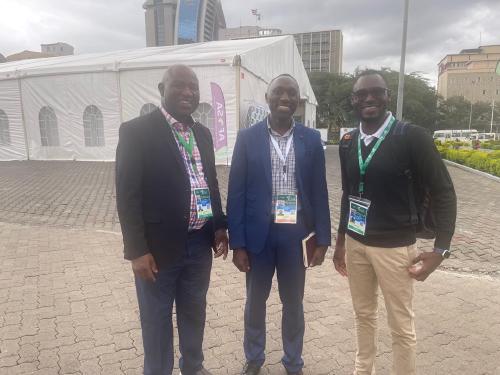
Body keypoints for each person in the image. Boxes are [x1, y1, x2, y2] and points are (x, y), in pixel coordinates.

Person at [333, 70, 457, 375]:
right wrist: (340, 243)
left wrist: (441, 250)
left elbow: (444, 191)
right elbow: (349, 195)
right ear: (353, 100)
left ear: (387, 96)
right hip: (356, 243)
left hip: (394, 248)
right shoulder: (348, 142)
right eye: (362, 94)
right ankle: (363, 370)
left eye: (377, 92)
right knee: (363, 315)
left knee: (400, 325)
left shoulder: (411, 137)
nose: (369, 98)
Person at [115, 64, 228, 375]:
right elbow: (127, 195)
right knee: (156, 320)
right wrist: (136, 250)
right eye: (179, 85)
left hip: (198, 245)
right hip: (158, 250)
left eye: (193, 87)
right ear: (161, 89)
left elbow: (209, 184)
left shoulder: (202, 134)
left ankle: (193, 368)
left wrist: (219, 226)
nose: (188, 92)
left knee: (194, 313)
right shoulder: (136, 131)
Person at [227, 74, 331, 375]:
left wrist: (322, 238)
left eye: (291, 93)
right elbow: (237, 192)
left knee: (293, 302)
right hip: (258, 235)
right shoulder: (247, 138)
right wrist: (238, 243)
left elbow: (319, 191)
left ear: (299, 101)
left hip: (295, 235)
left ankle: (293, 361)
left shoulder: (311, 139)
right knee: (255, 302)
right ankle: (255, 358)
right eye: (278, 92)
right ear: (267, 97)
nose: (285, 97)